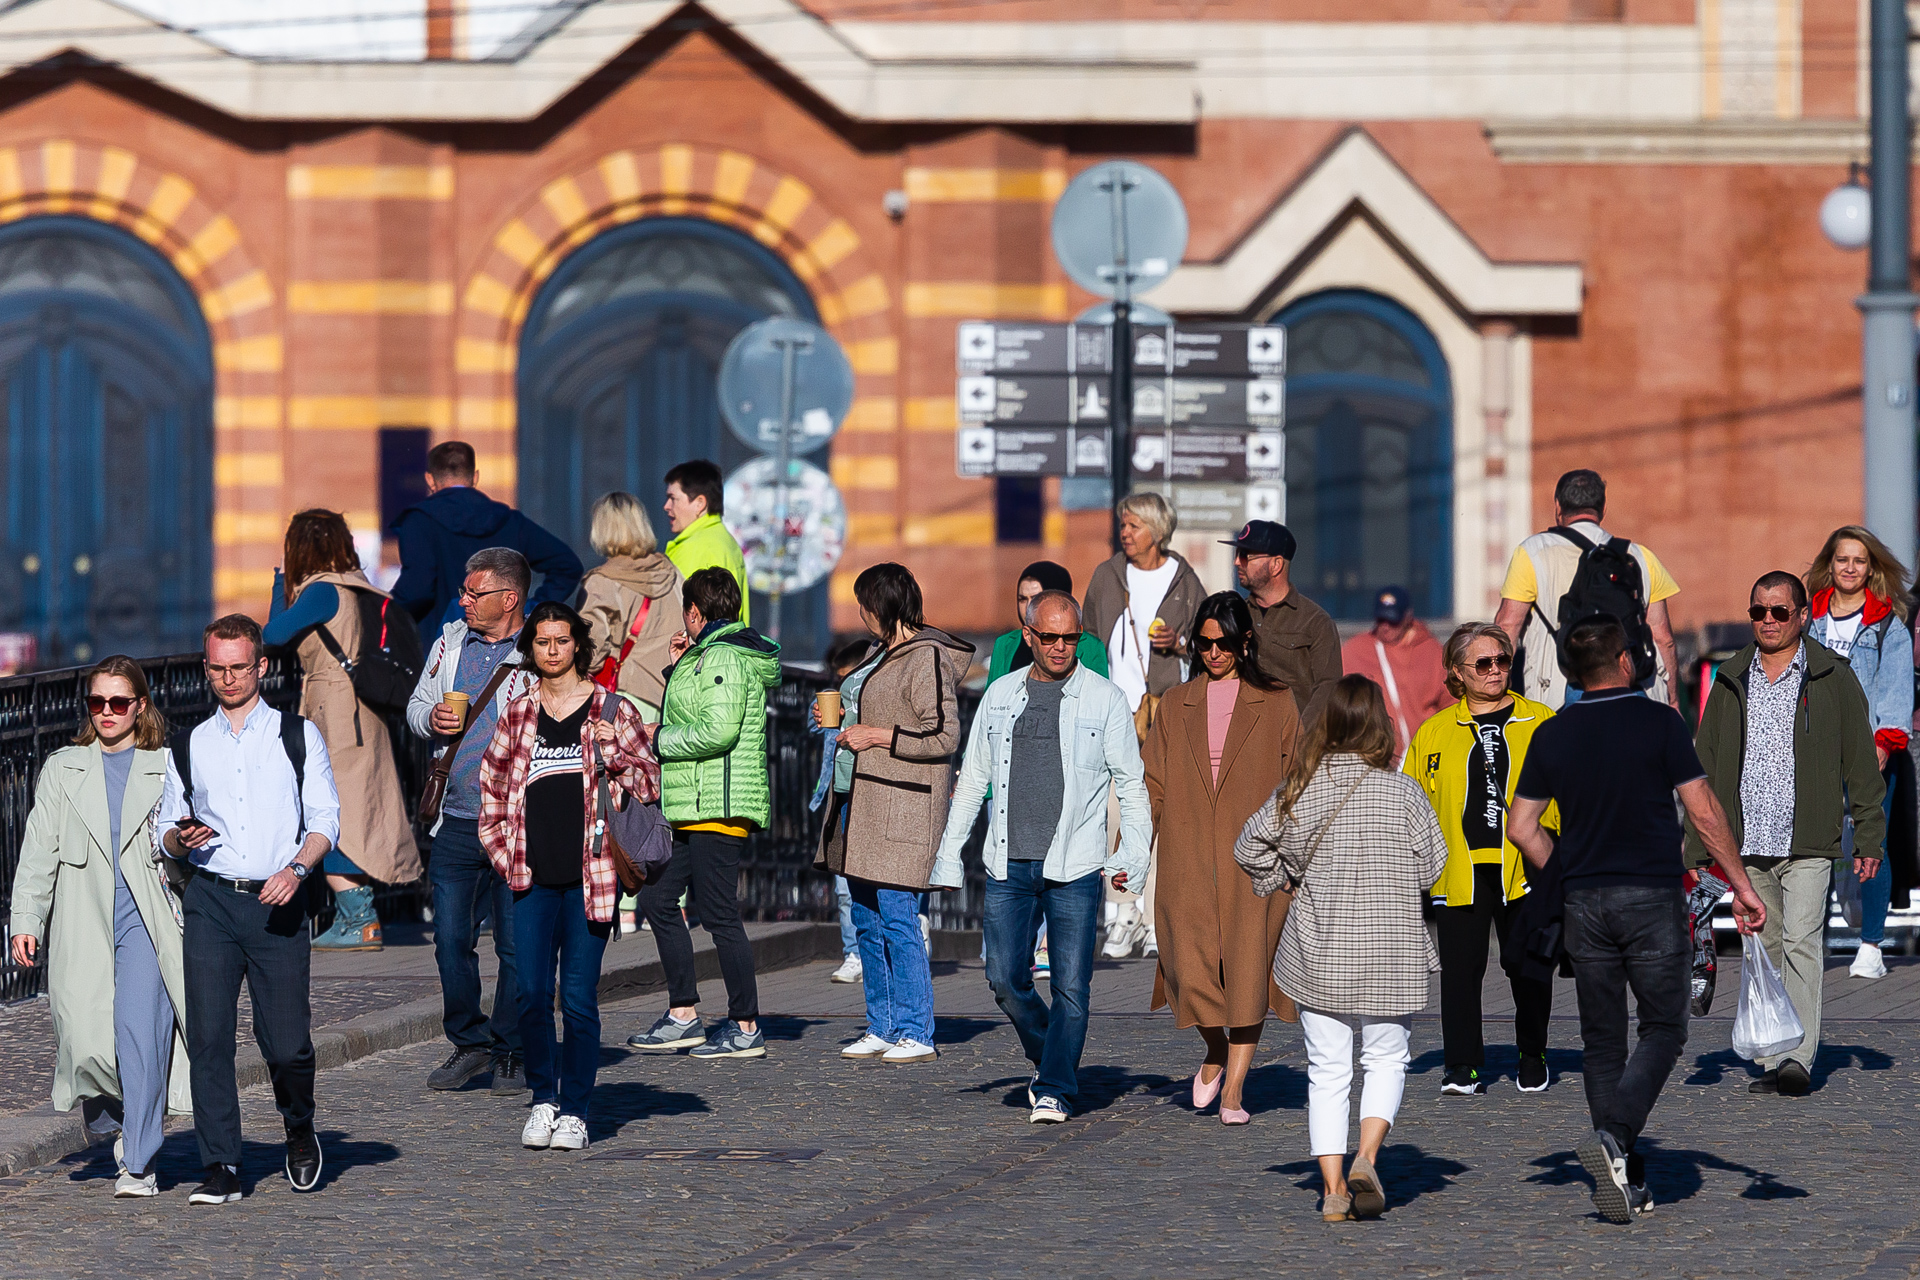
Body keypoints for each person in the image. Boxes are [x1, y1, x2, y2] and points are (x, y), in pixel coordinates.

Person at [1507, 615, 1767, 1223]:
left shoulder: (1553, 733)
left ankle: (1624, 1177)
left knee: (1601, 1043)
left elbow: (1521, 827)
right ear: (1626, 660)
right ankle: (1617, 1137)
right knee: (1665, 1029)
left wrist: (1563, 875)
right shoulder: (1659, 722)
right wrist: (1742, 887)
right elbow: (1703, 813)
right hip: (1649, 895)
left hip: (1583, 901)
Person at [932, 590, 1151, 1124]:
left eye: (1070, 637)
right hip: (1007, 860)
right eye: (1048, 636)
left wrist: (1135, 854)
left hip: (1074, 863)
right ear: (1028, 635)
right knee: (1004, 978)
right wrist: (947, 855)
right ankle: (1051, 1056)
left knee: (1073, 986)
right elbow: (973, 780)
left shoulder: (1105, 699)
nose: (1059, 646)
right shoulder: (1001, 694)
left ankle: (1054, 1086)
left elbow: (1132, 782)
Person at [1233, 676, 1446, 1222]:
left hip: (1320, 945)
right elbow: (1433, 867)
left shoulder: (1301, 788)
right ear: (1379, 726)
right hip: (1391, 945)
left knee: (1326, 1070)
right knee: (1386, 1059)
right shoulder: (1405, 792)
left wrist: (1284, 877)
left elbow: (1247, 845)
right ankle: (1368, 1155)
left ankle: (1332, 1190)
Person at [160, 615, 341, 1205]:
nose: (229, 678)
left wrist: (296, 870)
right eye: (218, 667)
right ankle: (222, 1166)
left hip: (277, 898)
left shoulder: (297, 735)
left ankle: (298, 1127)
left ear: (261, 666)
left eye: (240, 666)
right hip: (211, 899)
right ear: (205, 667)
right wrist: (177, 842)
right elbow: (166, 828)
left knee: (286, 1043)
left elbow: (324, 822)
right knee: (209, 1038)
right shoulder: (188, 745)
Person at [1685, 571, 1884, 1098]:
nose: (1767, 621)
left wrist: (1869, 837)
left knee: (1802, 941)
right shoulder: (1731, 679)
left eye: (1778, 611)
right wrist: (1697, 845)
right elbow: (1700, 767)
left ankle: (1798, 1056)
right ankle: (1773, 1055)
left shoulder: (1831, 676)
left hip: (1809, 838)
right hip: (1747, 840)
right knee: (1765, 946)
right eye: (1758, 612)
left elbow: (1861, 763)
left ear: (1802, 616)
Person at [479, 602, 659, 1152]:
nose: (552, 650)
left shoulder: (612, 709)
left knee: (578, 999)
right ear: (531, 649)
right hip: (530, 878)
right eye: (542, 642)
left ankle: (576, 1109)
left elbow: (649, 784)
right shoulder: (518, 712)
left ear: (577, 645)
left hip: (592, 876)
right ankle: (543, 1099)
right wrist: (505, 854)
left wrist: (615, 750)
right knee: (531, 995)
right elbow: (492, 786)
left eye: (561, 640)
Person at [9, 657, 192, 1198]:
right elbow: (38, 849)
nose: (107, 712)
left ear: (140, 705)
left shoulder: (166, 765)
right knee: (87, 1037)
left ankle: (139, 1163)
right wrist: (26, 920)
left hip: (147, 916)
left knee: (141, 1034)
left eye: (118, 702)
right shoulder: (64, 767)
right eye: (97, 703)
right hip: (81, 917)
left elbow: (185, 844)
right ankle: (114, 1120)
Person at [1143, 591, 1299, 1124]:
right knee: (1187, 962)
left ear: (1244, 642)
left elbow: (1295, 782)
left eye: (1224, 643)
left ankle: (1234, 1090)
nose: (1213, 653)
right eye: (1205, 643)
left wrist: (1295, 856)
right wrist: (1134, 847)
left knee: (1249, 968)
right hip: (1186, 851)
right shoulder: (1175, 703)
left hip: (1257, 858)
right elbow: (1153, 783)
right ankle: (1214, 1049)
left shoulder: (1277, 700)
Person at [817, 564, 974, 1065]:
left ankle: (917, 1029)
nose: (861, 615)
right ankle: (882, 1025)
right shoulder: (878, 652)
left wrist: (877, 735)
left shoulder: (925, 656)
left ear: (882, 606)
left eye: (865, 604)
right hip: (858, 798)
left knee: (898, 917)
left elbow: (945, 735)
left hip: (900, 805)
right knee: (865, 918)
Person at [626, 566, 781, 1059]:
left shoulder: (725, 657)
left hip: (719, 805)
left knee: (718, 914)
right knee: (656, 900)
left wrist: (656, 739)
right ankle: (684, 1013)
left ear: (695, 612)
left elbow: (717, 731)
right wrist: (678, 669)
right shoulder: (709, 656)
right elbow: (702, 712)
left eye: (685, 614)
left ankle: (745, 1023)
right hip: (693, 805)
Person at [1403, 622, 1558, 1097]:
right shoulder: (1433, 732)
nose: (1496, 671)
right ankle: (1462, 1065)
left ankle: (1532, 1054)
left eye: (1503, 661)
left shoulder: (1543, 720)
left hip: (1527, 866)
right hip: (1461, 869)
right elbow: (1412, 801)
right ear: (1457, 672)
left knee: (1529, 966)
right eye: (1484, 663)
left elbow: (1571, 791)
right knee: (1462, 970)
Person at [407, 547, 540, 1094]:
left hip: (516, 821)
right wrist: (429, 718)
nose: (462, 600)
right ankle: (469, 1042)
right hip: (456, 817)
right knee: (450, 938)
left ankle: (511, 1048)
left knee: (514, 944)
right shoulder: (450, 642)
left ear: (509, 599)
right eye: (463, 592)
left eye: (473, 593)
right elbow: (416, 706)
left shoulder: (541, 651)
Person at [264, 510, 422, 952]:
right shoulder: (354, 587)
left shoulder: (321, 592)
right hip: (356, 712)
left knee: (332, 813)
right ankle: (359, 914)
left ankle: (359, 917)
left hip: (334, 715)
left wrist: (280, 583)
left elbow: (273, 635)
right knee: (353, 810)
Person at [1083, 493, 1205, 959]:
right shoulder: (1107, 576)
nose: (1125, 533)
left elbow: (1209, 648)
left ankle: (1156, 917)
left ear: (1156, 529)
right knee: (1116, 811)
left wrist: (1180, 644)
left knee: (1165, 816)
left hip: (1167, 713)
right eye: (1124, 525)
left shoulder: (1185, 581)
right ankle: (1121, 912)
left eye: (1133, 525)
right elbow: (1090, 644)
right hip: (1117, 713)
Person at [1804, 526, 1913, 980]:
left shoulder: (1888, 623)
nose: (1850, 568)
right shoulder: (1806, 618)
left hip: (1869, 748)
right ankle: (1813, 940)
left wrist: (1885, 743)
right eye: (1843, 559)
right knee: (1814, 846)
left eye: (1859, 561)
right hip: (1813, 747)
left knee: (1874, 845)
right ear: (1830, 564)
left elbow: (1896, 686)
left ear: (1871, 569)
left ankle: (1870, 945)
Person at [1494, 468, 1681, 709]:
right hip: (1636, 694)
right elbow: (1663, 637)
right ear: (1603, 509)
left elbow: (1508, 625)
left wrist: (1495, 694)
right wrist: (1673, 699)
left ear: (1558, 507)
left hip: (1559, 695)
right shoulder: (1640, 556)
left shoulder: (1533, 552)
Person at [390, 440, 583, 641]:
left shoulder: (419, 521)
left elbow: (417, 590)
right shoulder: (509, 520)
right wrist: (531, 612)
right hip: (504, 646)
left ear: (429, 480)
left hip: (438, 647)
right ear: (475, 477)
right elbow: (567, 566)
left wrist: (385, 614)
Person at [577, 490, 686, 723]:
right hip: (672, 694)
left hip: (626, 695)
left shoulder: (602, 582)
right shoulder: (671, 572)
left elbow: (592, 653)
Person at [1222, 520, 1342, 727]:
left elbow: (1328, 689)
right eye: (1237, 554)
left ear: (1276, 564)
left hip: (1292, 748)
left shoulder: (1315, 622)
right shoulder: (1233, 616)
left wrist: (1299, 739)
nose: (1236, 562)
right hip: (1239, 744)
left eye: (1245, 556)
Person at [811, 636, 878, 985]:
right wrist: (823, 715)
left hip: (869, 796)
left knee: (874, 886)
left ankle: (872, 952)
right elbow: (813, 728)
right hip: (839, 797)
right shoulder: (839, 709)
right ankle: (853, 952)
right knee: (842, 887)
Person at [1341, 586, 1447, 764]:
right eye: (1381, 619)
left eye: (1392, 620)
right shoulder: (1356, 650)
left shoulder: (1432, 651)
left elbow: (1451, 702)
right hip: (1374, 759)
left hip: (1426, 755)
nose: (1385, 627)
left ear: (1408, 617)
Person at [988, 560, 1108, 684]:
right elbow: (992, 697)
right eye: (1022, 599)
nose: (1029, 606)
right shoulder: (1004, 644)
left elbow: (1099, 696)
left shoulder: (1090, 647)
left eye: (1036, 599)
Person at [662, 459, 749, 624]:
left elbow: (679, 619)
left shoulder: (697, 547)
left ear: (699, 504)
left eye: (673, 498)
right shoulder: (723, 541)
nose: (666, 506)